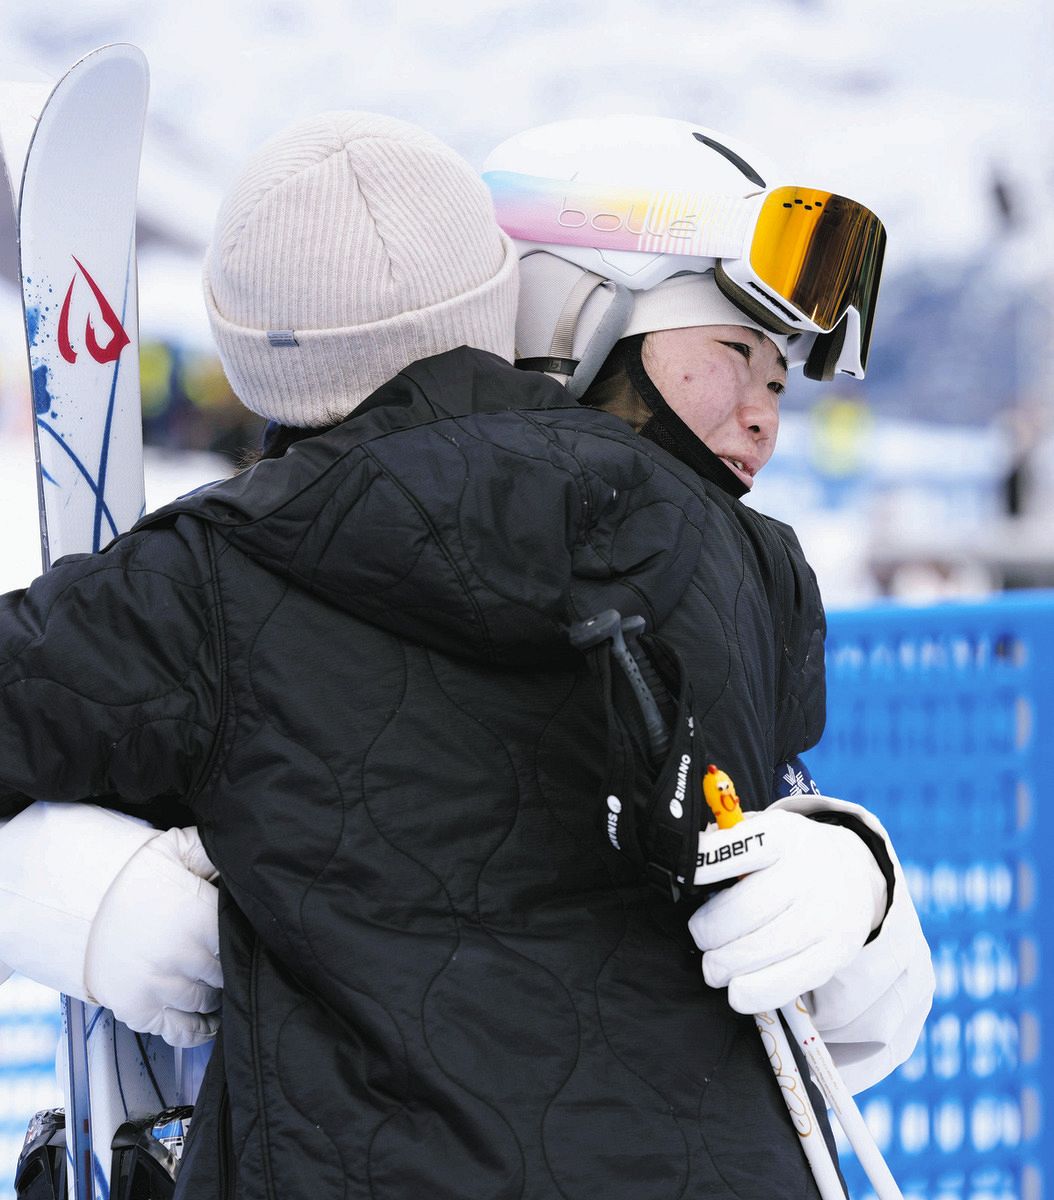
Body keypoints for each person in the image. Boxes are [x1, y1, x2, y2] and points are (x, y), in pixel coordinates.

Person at [0, 110, 933, 1200]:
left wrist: (853, 896)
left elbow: (825, 1002)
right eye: (734, 352)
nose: (764, 418)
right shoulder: (738, 561)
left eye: (779, 379)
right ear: (558, 310)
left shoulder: (214, 570)